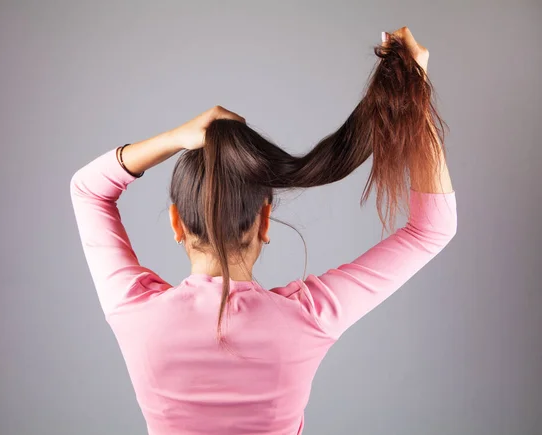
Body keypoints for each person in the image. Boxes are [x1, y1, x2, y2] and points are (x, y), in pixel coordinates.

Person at [70, 27, 457, 435]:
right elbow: (431, 230)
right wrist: (415, 93)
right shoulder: (308, 317)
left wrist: (175, 138)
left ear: (176, 223)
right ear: (265, 220)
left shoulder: (134, 311)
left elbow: (88, 191)